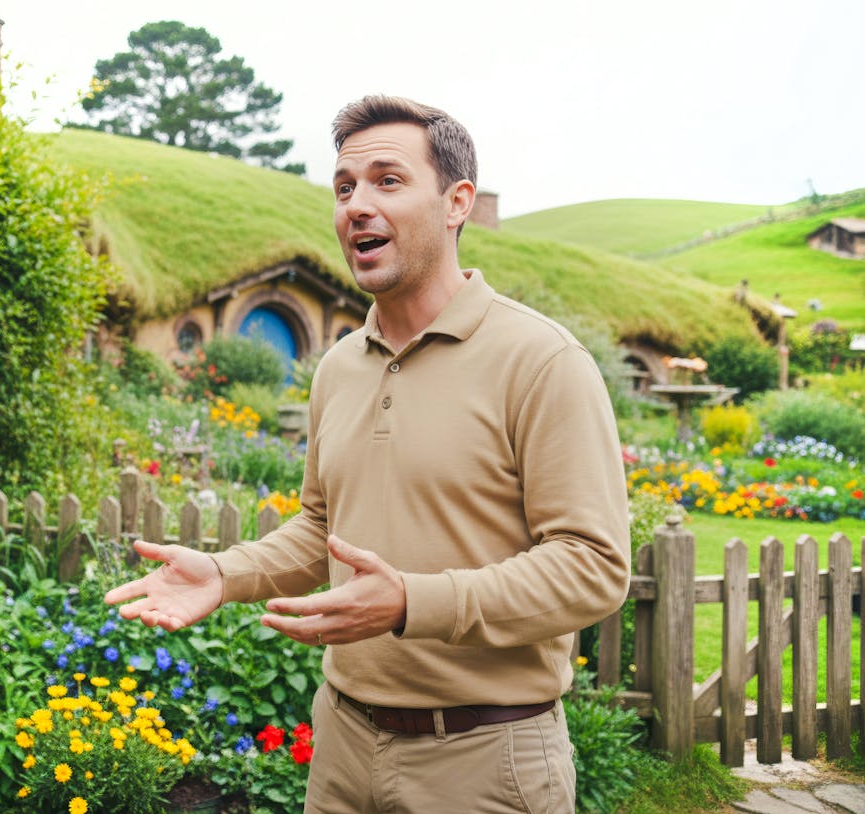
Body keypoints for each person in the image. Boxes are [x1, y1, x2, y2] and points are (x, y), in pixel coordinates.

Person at [105, 95, 630, 813]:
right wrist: (225, 573)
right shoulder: (339, 367)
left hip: (485, 760)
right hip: (344, 748)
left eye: (387, 180)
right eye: (345, 187)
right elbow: (323, 531)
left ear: (457, 204)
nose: (357, 204)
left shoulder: (541, 361)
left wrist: (414, 602)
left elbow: (591, 568)